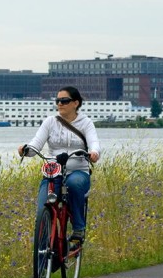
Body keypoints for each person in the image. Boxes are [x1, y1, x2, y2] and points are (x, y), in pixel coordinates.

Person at [18, 86, 101, 242]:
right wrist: (26, 150)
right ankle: (44, 249)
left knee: (74, 184)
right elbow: (36, 144)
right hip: (53, 171)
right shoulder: (50, 122)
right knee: (43, 207)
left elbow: (94, 142)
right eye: (58, 101)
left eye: (64, 100)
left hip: (77, 170)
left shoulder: (86, 123)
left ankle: (78, 228)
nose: (60, 104)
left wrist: (94, 153)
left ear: (75, 103)